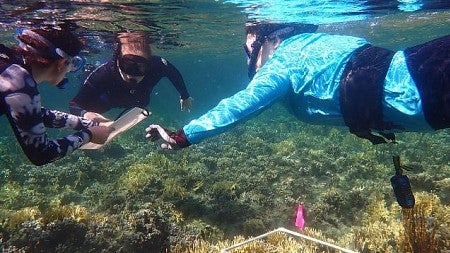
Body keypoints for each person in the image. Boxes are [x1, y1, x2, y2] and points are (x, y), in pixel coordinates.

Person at [145, 22, 450, 149]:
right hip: (423, 73)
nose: (249, 60)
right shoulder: (310, 44)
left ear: (272, 39)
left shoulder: (285, 60)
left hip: (423, 89)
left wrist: (182, 136)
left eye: (249, 50)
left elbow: (241, 105)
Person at [0, 25, 112, 166]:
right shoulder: (18, 79)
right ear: (61, 63)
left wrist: (89, 124)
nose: (70, 71)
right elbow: (41, 154)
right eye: (74, 64)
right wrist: (89, 135)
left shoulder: (11, 66)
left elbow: (33, 113)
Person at [69, 31, 193, 122]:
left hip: (137, 100)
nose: (131, 74)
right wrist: (87, 115)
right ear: (118, 61)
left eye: (140, 68)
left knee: (143, 101)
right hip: (107, 101)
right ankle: (87, 70)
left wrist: (185, 95)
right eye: (127, 65)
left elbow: (174, 73)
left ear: (149, 65)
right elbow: (75, 104)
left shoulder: (158, 65)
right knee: (92, 107)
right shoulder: (104, 73)